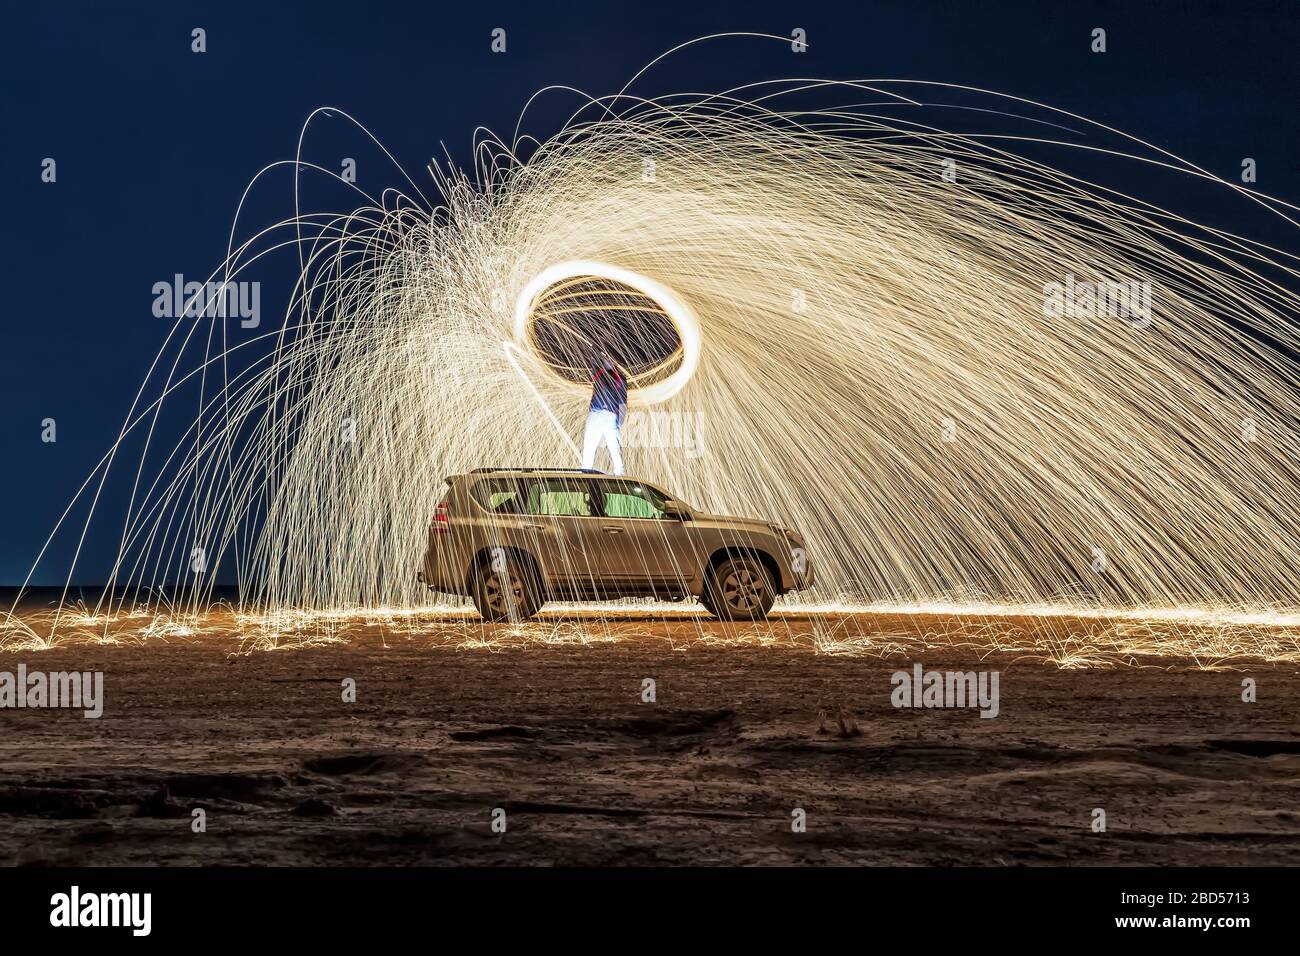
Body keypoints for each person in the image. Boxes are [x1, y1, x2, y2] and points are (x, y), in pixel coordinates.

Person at [581, 352, 627, 474]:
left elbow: (622, 401)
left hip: (609, 416)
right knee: (589, 446)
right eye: (607, 358)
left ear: (615, 362)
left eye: (611, 358)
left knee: (614, 447)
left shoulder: (620, 378)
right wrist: (597, 351)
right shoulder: (599, 373)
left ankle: (620, 474)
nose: (609, 360)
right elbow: (593, 359)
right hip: (595, 414)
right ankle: (585, 472)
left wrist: (619, 421)